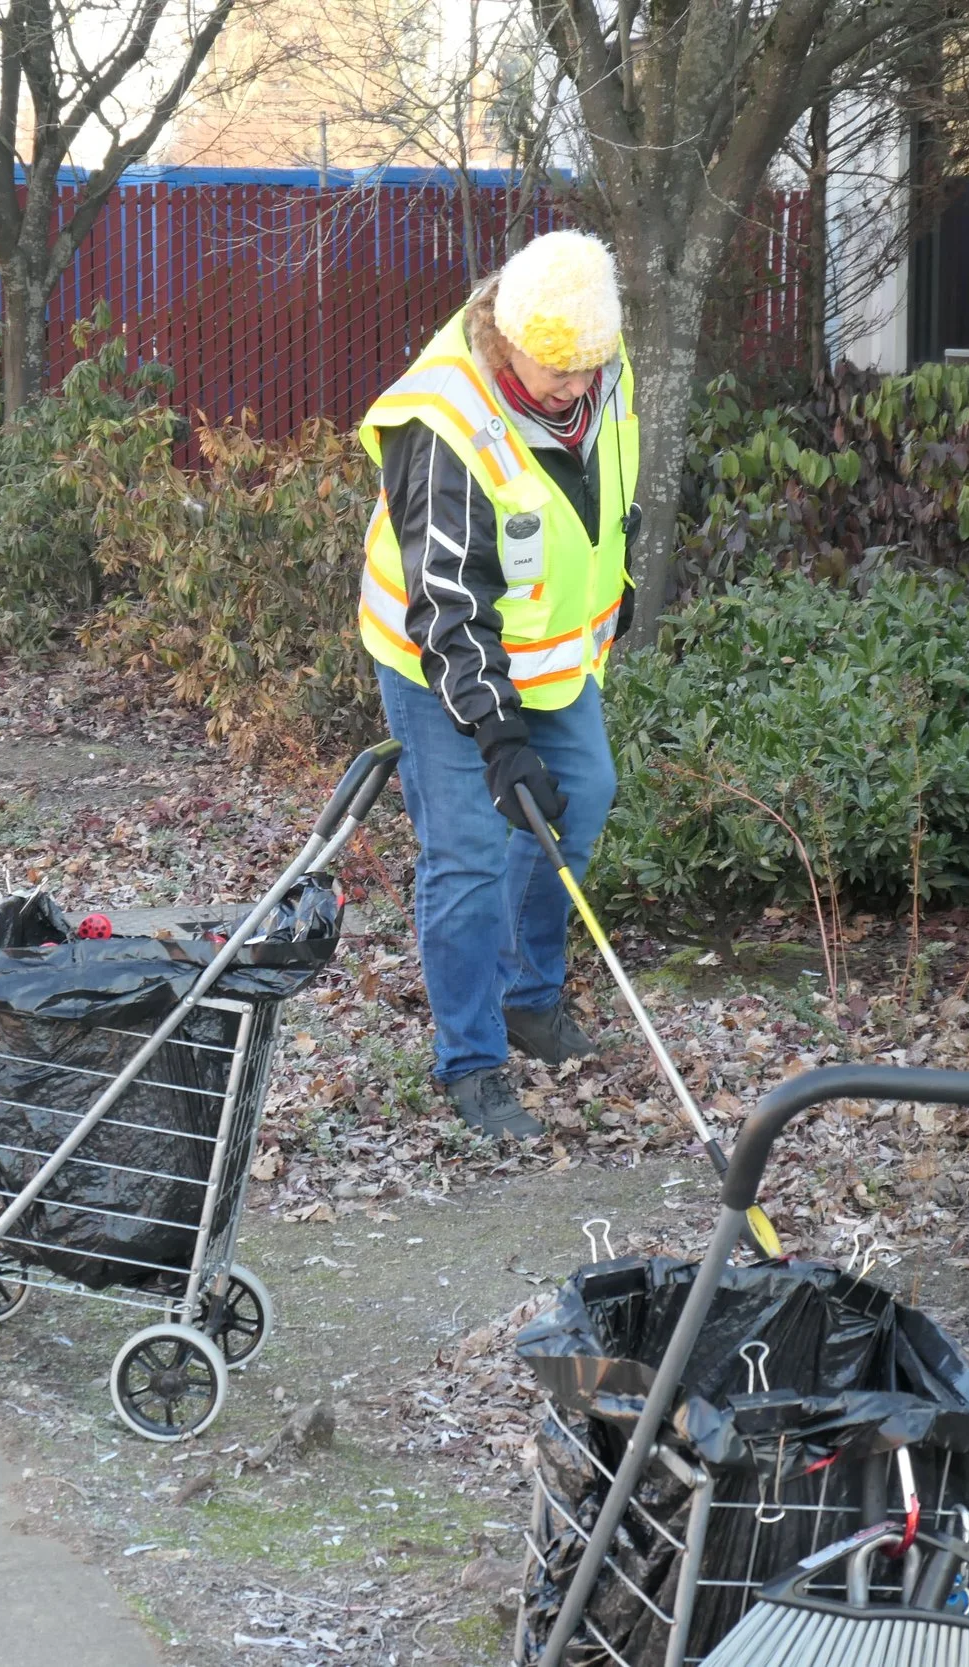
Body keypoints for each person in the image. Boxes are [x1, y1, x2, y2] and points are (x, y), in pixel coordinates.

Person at [355, 230, 640, 1140]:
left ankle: (528, 995)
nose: (575, 384)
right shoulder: (444, 426)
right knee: (470, 851)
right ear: (504, 335)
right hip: (441, 660)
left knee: (583, 794)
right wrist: (500, 739)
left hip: (550, 654)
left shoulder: (602, 366)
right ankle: (471, 1059)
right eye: (556, 368)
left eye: (587, 365)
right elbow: (448, 605)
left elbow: (601, 495)